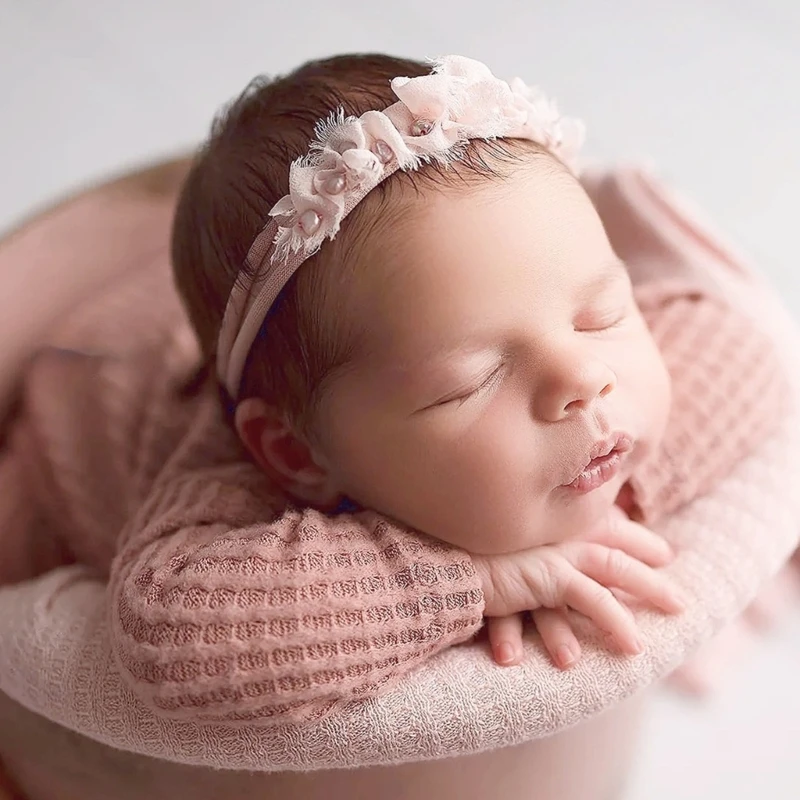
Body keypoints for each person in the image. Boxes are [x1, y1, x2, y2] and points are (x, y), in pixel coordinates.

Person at [0, 54, 785, 730]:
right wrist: (476, 580)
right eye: (473, 381)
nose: (586, 378)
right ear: (297, 453)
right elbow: (167, 634)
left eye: (601, 313)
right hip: (68, 426)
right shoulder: (234, 489)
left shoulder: (517, 329)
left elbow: (745, 351)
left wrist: (616, 501)